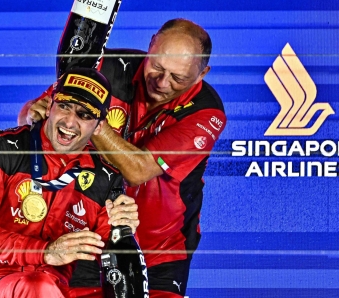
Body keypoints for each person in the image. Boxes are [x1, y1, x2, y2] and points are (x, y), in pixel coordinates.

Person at [19, 18, 226, 297]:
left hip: (159, 251)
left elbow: (137, 170)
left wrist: (89, 117)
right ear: (151, 44)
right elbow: (37, 118)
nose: (162, 83)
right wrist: (33, 113)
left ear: (202, 74)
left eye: (178, 78)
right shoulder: (105, 67)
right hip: (84, 235)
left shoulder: (206, 113)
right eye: (157, 66)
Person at [0, 67, 140, 298]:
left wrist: (124, 230)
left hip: (58, 290)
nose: (70, 122)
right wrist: (45, 252)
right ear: (50, 105)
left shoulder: (106, 178)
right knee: (37, 286)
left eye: (85, 115)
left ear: (99, 126)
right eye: (64, 106)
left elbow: (118, 266)